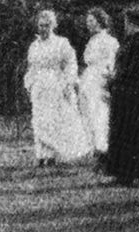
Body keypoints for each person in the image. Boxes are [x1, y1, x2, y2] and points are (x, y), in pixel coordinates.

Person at [23, 10, 91, 166]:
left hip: (55, 84)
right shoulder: (34, 46)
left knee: (53, 119)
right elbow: (31, 66)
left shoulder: (61, 43)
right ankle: (41, 154)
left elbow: (71, 63)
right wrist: (29, 83)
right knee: (39, 119)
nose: (43, 29)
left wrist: (68, 82)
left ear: (53, 26)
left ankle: (52, 155)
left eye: (47, 26)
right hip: (39, 85)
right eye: (41, 26)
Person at [106, 7, 139, 186]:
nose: (125, 26)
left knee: (133, 134)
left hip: (135, 95)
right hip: (124, 93)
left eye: (128, 22)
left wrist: (117, 78)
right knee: (123, 132)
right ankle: (122, 172)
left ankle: (134, 173)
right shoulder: (131, 41)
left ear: (135, 24)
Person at [77, 8, 119, 162]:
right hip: (89, 78)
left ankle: (103, 148)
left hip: (100, 78)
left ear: (100, 21)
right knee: (87, 111)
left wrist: (109, 80)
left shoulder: (110, 41)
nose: (89, 24)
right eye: (88, 21)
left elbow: (112, 63)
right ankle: (93, 146)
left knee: (100, 112)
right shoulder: (91, 40)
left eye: (92, 21)